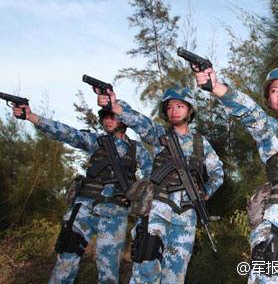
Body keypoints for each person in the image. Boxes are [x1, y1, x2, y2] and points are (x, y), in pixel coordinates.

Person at [194, 66, 278, 284]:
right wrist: (216, 87)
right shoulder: (269, 129)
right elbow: (248, 111)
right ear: (268, 98)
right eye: (274, 90)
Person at [12, 102, 153, 284]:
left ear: (123, 120)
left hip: (115, 214)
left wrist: (143, 202)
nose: (108, 120)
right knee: (65, 263)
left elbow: (151, 178)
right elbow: (67, 133)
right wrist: (32, 117)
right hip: (83, 209)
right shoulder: (95, 140)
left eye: (113, 116)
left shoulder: (137, 149)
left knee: (108, 272)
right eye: (105, 116)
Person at [98, 85, 224, 284]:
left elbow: (217, 173)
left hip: (186, 216)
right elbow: (140, 123)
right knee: (145, 268)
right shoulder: (159, 136)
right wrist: (115, 107)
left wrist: (206, 192)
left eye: (180, 106)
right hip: (156, 210)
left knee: (175, 275)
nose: (174, 111)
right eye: (170, 107)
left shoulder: (201, 143)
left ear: (189, 110)